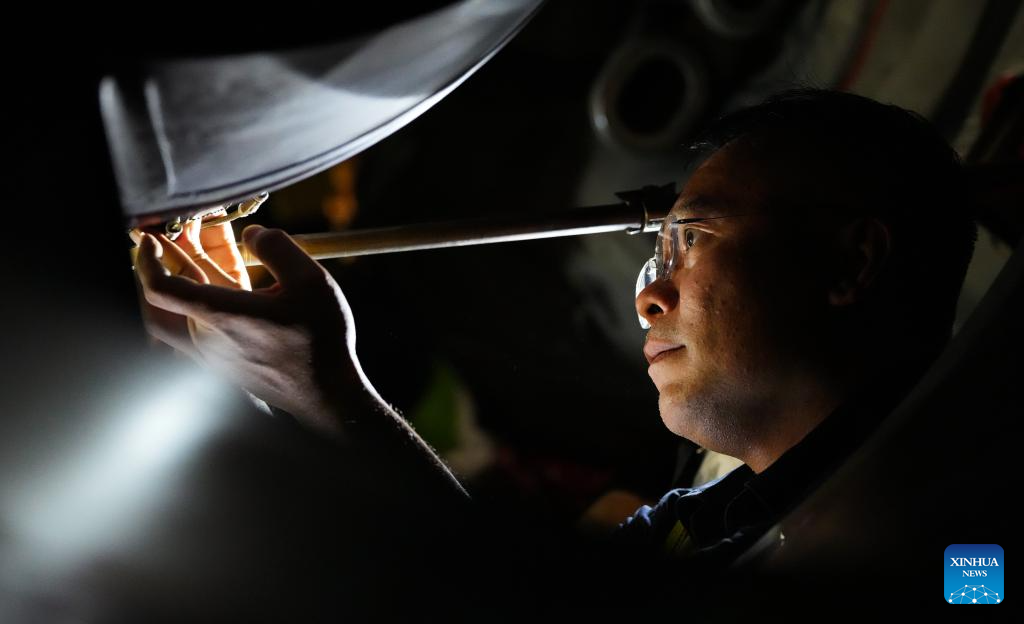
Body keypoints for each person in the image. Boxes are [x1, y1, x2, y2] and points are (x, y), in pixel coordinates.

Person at [133, 89, 976, 584]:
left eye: (693, 238)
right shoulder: (702, 524)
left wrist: (329, 392)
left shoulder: (966, 549)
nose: (652, 299)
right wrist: (283, 384)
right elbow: (493, 594)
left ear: (851, 263)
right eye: (659, 251)